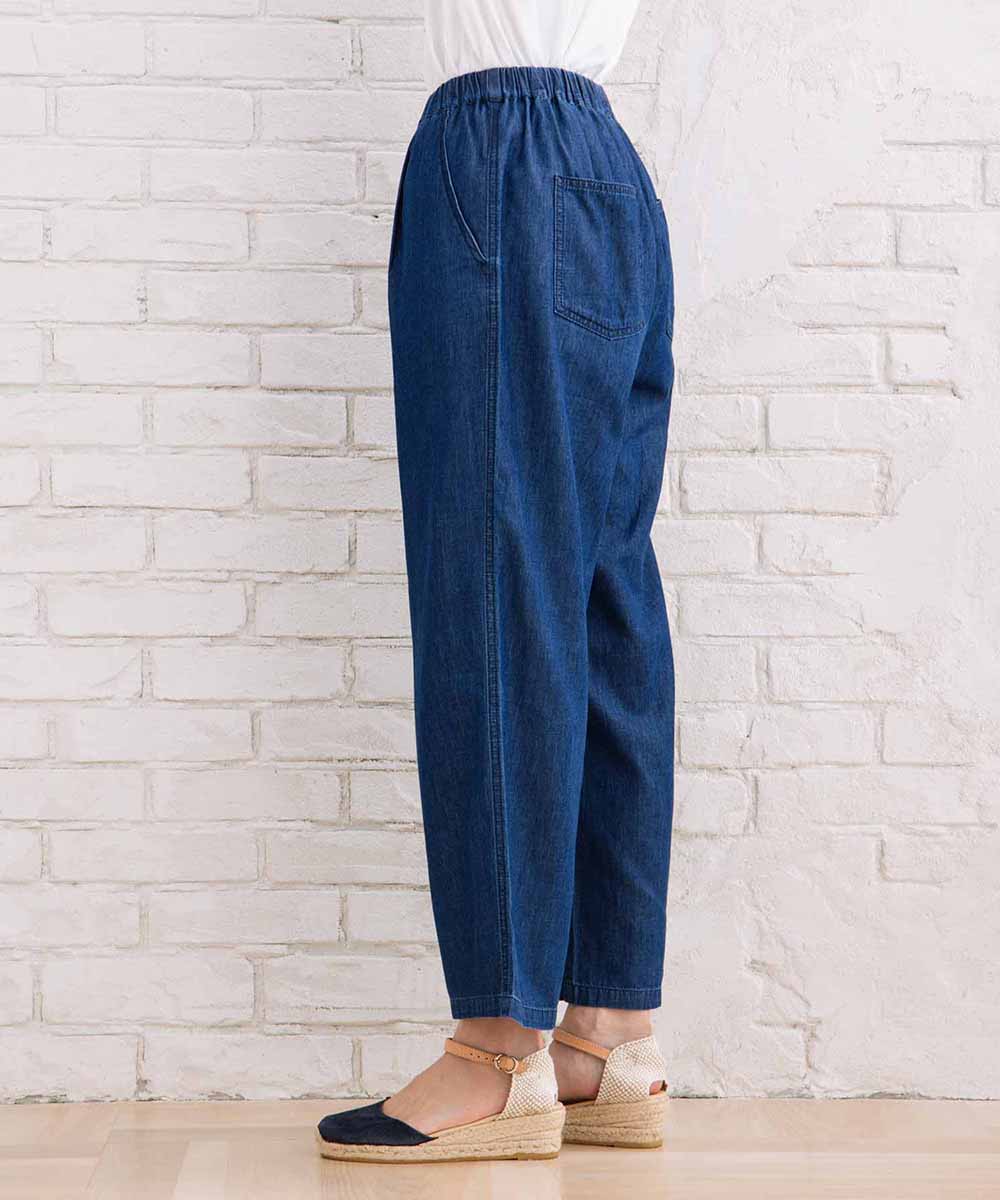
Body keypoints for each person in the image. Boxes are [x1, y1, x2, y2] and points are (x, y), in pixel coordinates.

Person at [318, 0, 675, 1163]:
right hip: (599, 165)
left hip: (501, 155)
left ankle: (497, 1048)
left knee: (495, 589)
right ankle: (606, 1038)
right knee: (602, 597)